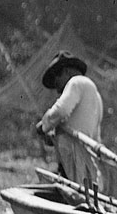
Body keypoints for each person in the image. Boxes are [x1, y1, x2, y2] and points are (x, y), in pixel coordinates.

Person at [36, 50, 104, 187]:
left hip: (74, 160)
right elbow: (87, 132)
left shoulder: (77, 82)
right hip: (85, 165)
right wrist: (53, 137)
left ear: (66, 71)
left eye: (56, 78)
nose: (56, 88)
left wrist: (43, 125)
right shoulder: (95, 95)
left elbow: (61, 110)